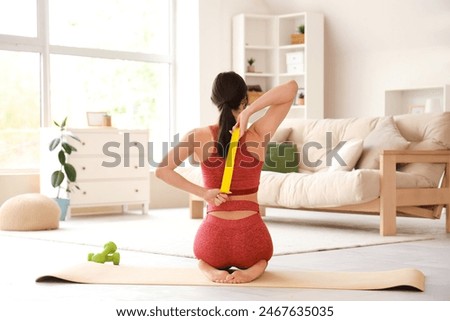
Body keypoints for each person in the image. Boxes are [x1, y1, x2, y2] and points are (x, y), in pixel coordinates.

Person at [156, 72, 298, 283]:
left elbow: (162, 171)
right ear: (244, 99)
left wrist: (204, 193)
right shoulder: (258, 134)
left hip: (212, 243)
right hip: (251, 241)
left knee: (202, 258)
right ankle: (255, 269)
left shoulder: (198, 136)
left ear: (215, 100)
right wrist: (250, 111)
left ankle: (208, 268)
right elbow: (291, 88)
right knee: (262, 258)